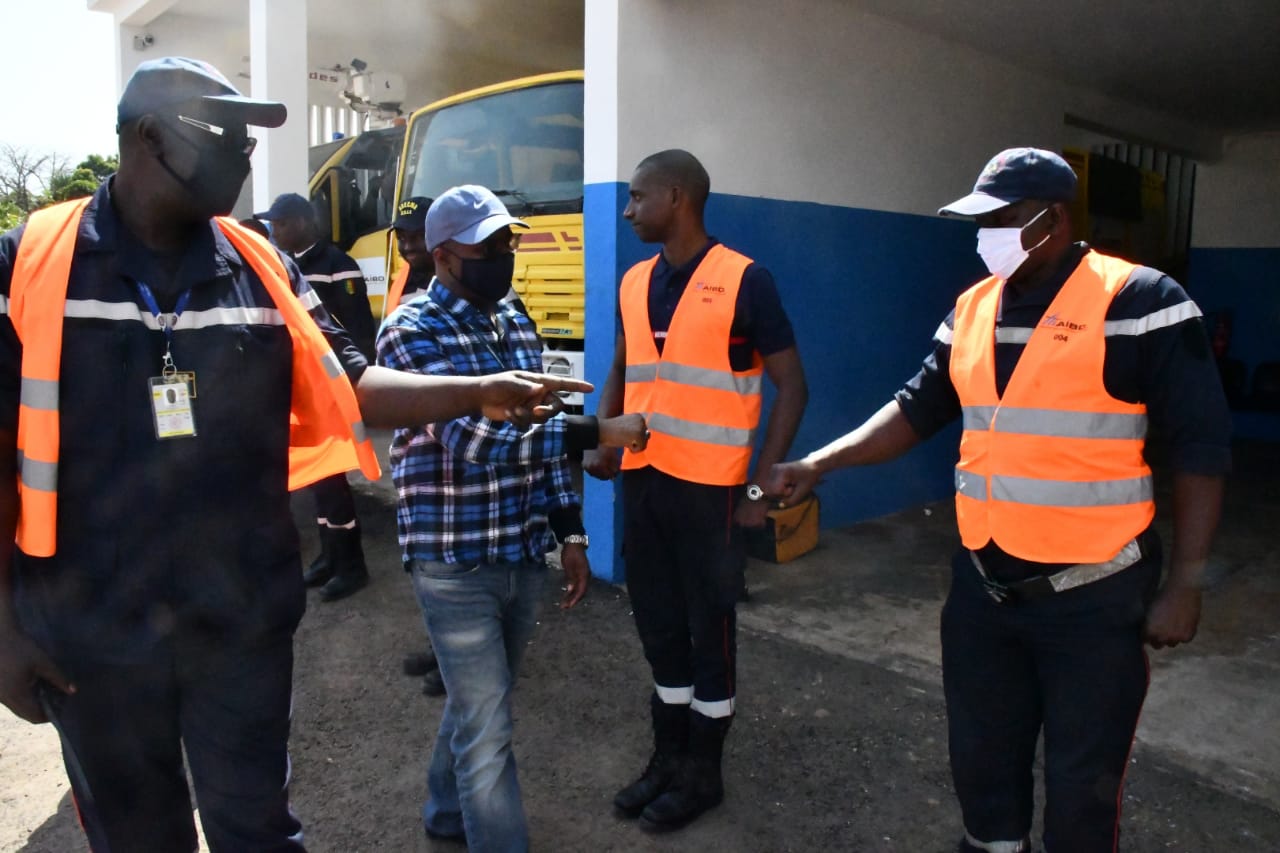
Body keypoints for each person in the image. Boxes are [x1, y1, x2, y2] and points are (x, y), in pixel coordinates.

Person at [0, 56, 592, 853]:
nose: (247, 154)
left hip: (240, 621)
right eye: (229, 132)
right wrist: (3, 630)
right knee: (138, 837)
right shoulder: (30, 264)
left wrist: (475, 387)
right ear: (148, 136)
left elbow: (354, 381)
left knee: (260, 830)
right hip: (92, 633)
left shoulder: (263, 265)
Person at [766, 148, 1231, 853]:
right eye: (980, 222)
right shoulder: (972, 308)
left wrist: (1186, 584)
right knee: (983, 774)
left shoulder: (1141, 301)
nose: (988, 236)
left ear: (1054, 219)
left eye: (1004, 220)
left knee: (1082, 796)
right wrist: (817, 462)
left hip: (1094, 601)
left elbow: (1202, 446)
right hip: (985, 594)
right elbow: (916, 409)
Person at [376, 184, 647, 851]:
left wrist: (571, 533)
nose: (504, 257)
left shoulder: (514, 318)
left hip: (522, 547)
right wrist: (600, 431)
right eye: (487, 247)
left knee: (481, 705)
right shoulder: (409, 329)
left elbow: (542, 426)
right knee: (489, 720)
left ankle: (446, 811)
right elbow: (475, 441)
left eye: (508, 242)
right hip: (454, 557)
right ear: (442, 256)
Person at [583, 149, 808, 833]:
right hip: (647, 485)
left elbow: (792, 385)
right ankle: (668, 757)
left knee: (709, 634)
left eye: (637, 197)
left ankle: (703, 774)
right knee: (657, 626)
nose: (627, 211)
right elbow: (623, 362)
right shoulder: (632, 282)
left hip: (712, 495)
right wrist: (603, 439)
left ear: (676, 197)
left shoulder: (745, 280)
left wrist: (762, 485)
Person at [259, 191, 378, 601]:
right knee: (319, 478)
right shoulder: (284, 266)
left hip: (333, 385)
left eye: (282, 223)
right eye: (272, 224)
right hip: (303, 385)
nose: (275, 231)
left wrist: (353, 386)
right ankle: (330, 556)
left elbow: (357, 331)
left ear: (304, 223)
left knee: (334, 480)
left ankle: (351, 565)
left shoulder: (337, 266)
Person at [384, 195, 435, 313]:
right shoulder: (404, 277)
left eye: (418, 236)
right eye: (401, 238)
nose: (408, 247)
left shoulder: (456, 279)